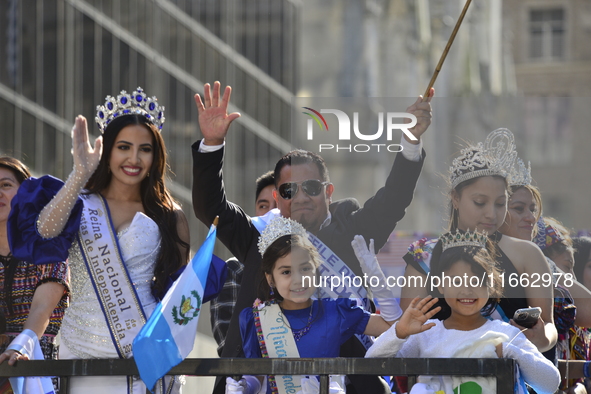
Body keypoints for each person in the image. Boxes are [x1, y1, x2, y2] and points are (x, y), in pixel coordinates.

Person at [192, 82, 432, 394]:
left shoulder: (355, 230)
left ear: (329, 192)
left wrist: (411, 140)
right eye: (290, 190)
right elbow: (211, 207)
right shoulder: (259, 237)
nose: (302, 196)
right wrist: (212, 143)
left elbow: (394, 198)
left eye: (312, 188)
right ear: (277, 198)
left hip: (343, 383)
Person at [8, 88, 190, 393]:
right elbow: (43, 232)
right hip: (82, 354)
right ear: (108, 152)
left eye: (144, 149)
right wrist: (79, 174)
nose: (134, 158)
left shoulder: (170, 216)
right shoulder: (81, 204)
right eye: (124, 147)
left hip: (146, 357)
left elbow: (178, 295)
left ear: (155, 155)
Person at [400, 128, 558, 353]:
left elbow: (548, 325)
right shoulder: (423, 257)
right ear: (455, 198)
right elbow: (410, 334)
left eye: (500, 203)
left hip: (511, 379)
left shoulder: (527, 254)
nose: (491, 214)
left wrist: (543, 339)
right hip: (443, 380)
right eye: (480, 202)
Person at [367, 229, 561, 394]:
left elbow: (550, 384)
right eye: (456, 281)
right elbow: (372, 363)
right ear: (440, 285)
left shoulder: (506, 334)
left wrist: (512, 353)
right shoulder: (426, 335)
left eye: (476, 281)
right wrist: (399, 332)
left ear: (491, 286)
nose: (467, 290)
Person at [227, 217, 398, 394]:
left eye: (305, 268)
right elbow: (257, 375)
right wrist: (245, 387)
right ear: (271, 278)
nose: (298, 279)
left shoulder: (336, 312)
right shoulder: (257, 319)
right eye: (286, 271)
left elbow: (391, 326)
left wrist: (375, 278)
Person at [0, 157, 69, 393]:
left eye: (6, 185)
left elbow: (42, 308)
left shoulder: (47, 248)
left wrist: (22, 345)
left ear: (25, 194)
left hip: (35, 372)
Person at [211, 170, 276, 356]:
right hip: (245, 379)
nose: (272, 213)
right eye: (263, 206)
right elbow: (228, 341)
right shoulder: (235, 269)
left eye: (278, 205)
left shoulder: (307, 266)